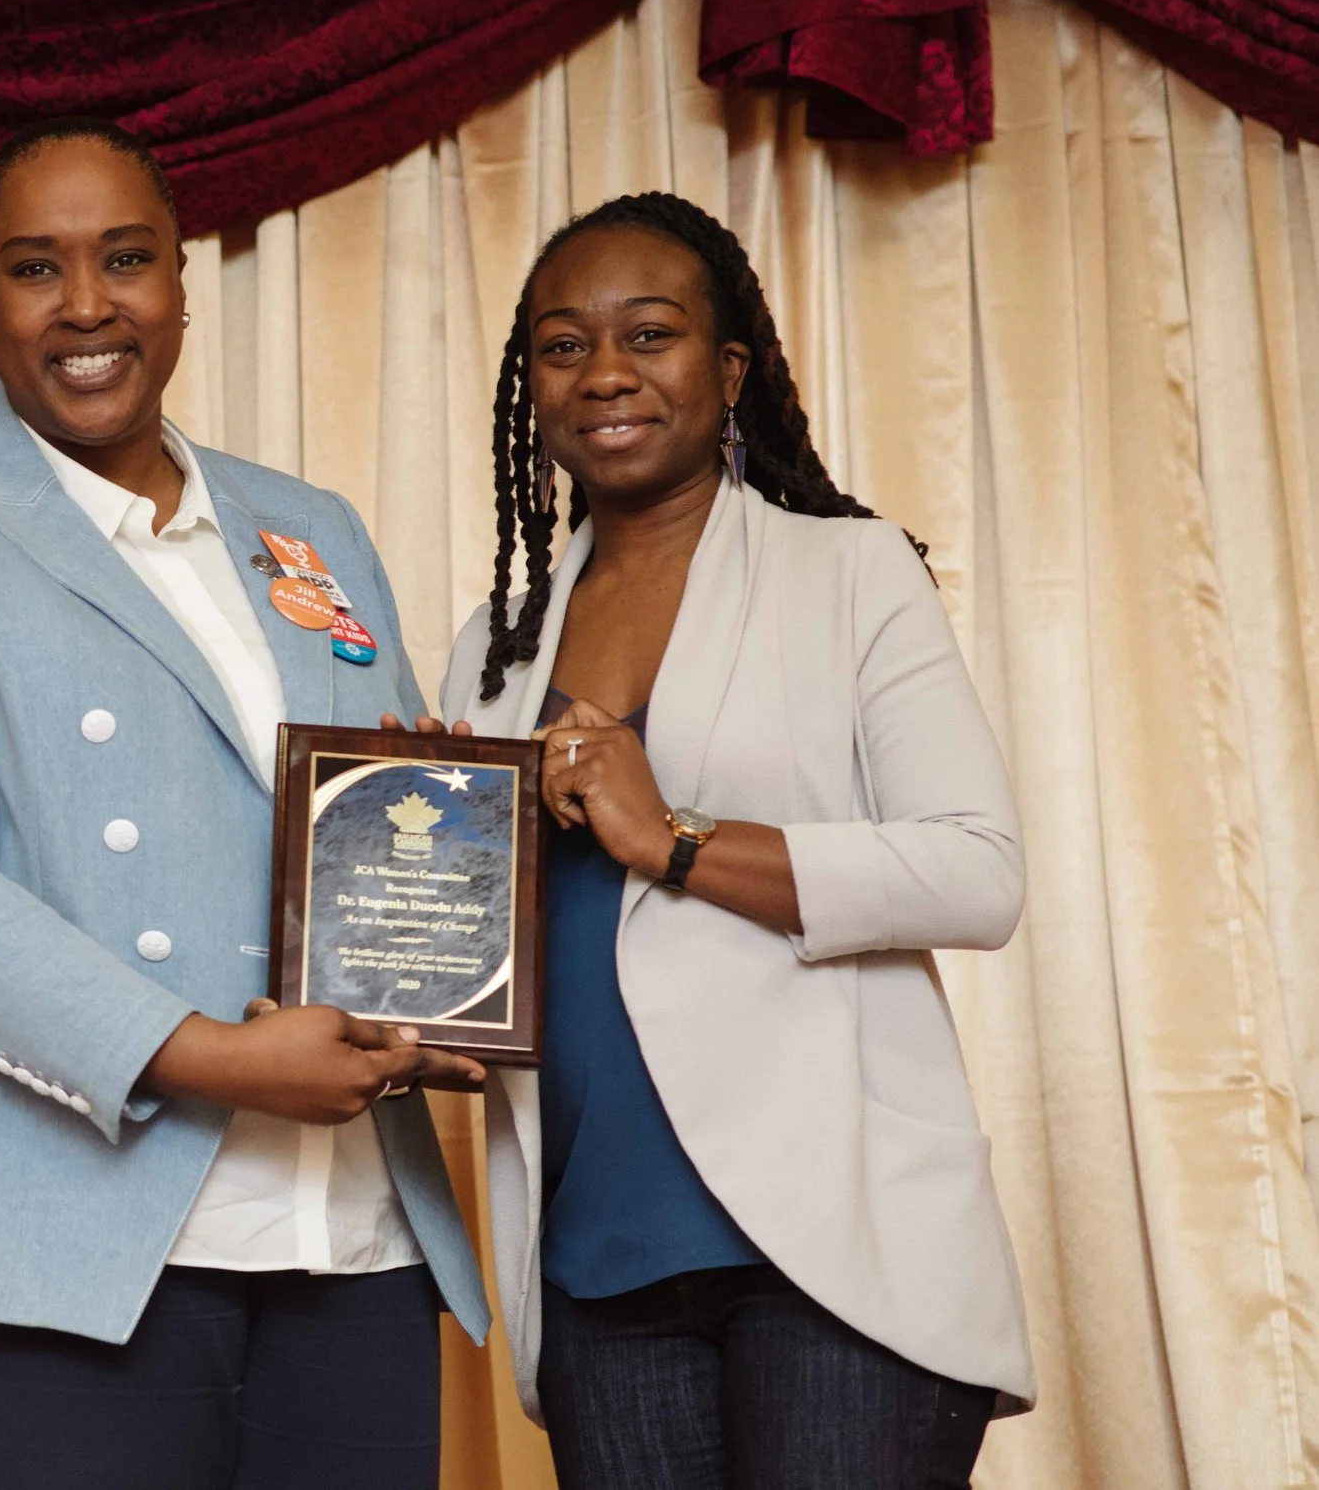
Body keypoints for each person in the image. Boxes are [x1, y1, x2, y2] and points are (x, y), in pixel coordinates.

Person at [0, 117, 492, 1490]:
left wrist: (442, 951)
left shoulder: (304, 527)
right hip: (31, 1225)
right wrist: (202, 1054)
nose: (87, 305)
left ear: (184, 281)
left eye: (125, 258)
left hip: (342, 1230)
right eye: (36, 267)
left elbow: (379, 828)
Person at [433, 191, 1034, 1487]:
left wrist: (676, 837)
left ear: (729, 368)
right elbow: (478, 961)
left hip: (838, 1257)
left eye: (649, 335)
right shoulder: (492, 649)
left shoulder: (849, 574)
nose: (604, 374)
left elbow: (978, 870)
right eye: (561, 344)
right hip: (597, 1255)